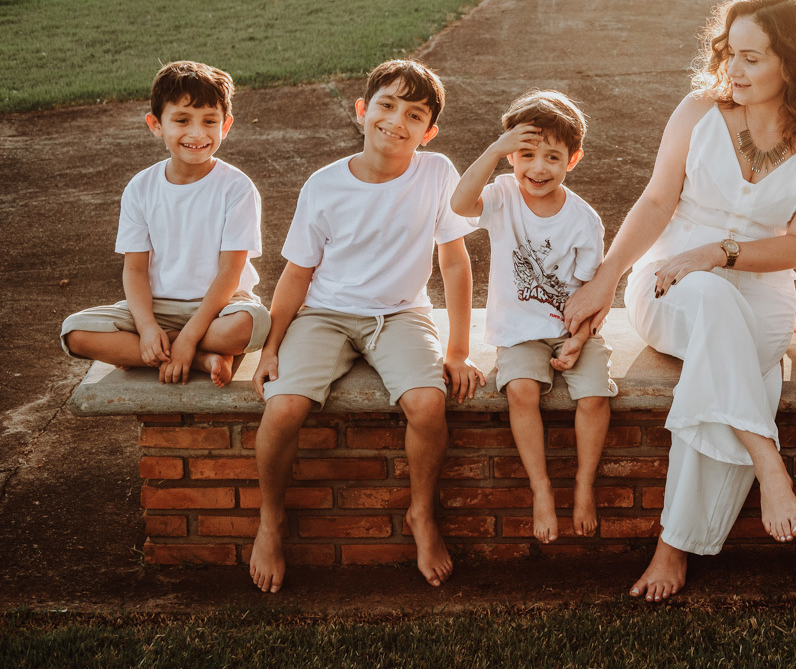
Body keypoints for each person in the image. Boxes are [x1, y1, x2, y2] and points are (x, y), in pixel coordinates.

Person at [564, 0, 796, 601]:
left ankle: (675, 547)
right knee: (723, 322)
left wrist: (719, 253)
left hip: (763, 300)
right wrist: (606, 278)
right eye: (729, 53)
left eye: (752, 57)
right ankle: (766, 461)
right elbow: (656, 200)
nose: (732, 69)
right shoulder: (698, 111)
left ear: (794, 63)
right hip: (669, 288)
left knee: (725, 364)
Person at [249, 59, 485, 593]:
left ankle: (421, 514)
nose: (396, 121)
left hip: (401, 313)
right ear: (362, 110)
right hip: (325, 314)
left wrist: (458, 351)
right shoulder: (324, 185)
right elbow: (297, 273)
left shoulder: (438, 173)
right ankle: (270, 520)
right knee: (283, 407)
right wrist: (271, 347)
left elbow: (454, 263)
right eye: (387, 105)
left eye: (414, 114)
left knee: (427, 403)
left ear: (429, 132)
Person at [451, 90, 617, 545]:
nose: (538, 168)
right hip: (519, 331)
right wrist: (493, 150)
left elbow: (591, 292)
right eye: (526, 154)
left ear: (573, 160)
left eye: (552, 157)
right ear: (511, 155)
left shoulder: (584, 220)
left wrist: (579, 340)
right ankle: (541, 489)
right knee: (521, 390)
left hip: (572, 329)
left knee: (594, 397)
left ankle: (583, 485)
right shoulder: (503, 195)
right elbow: (460, 205)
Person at [60, 61, 271, 389]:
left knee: (249, 325)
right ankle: (201, 358)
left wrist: (190, 335)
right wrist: (146, 328)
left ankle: (166, 349)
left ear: (225, 125)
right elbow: (135, 270)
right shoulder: (140, 188)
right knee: (75, 333)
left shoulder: (237, 187)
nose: (197, 133)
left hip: (222, 306)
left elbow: (230, 272)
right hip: (159, 307)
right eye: (182, 120)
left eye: (209, 121)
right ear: (156, 124)